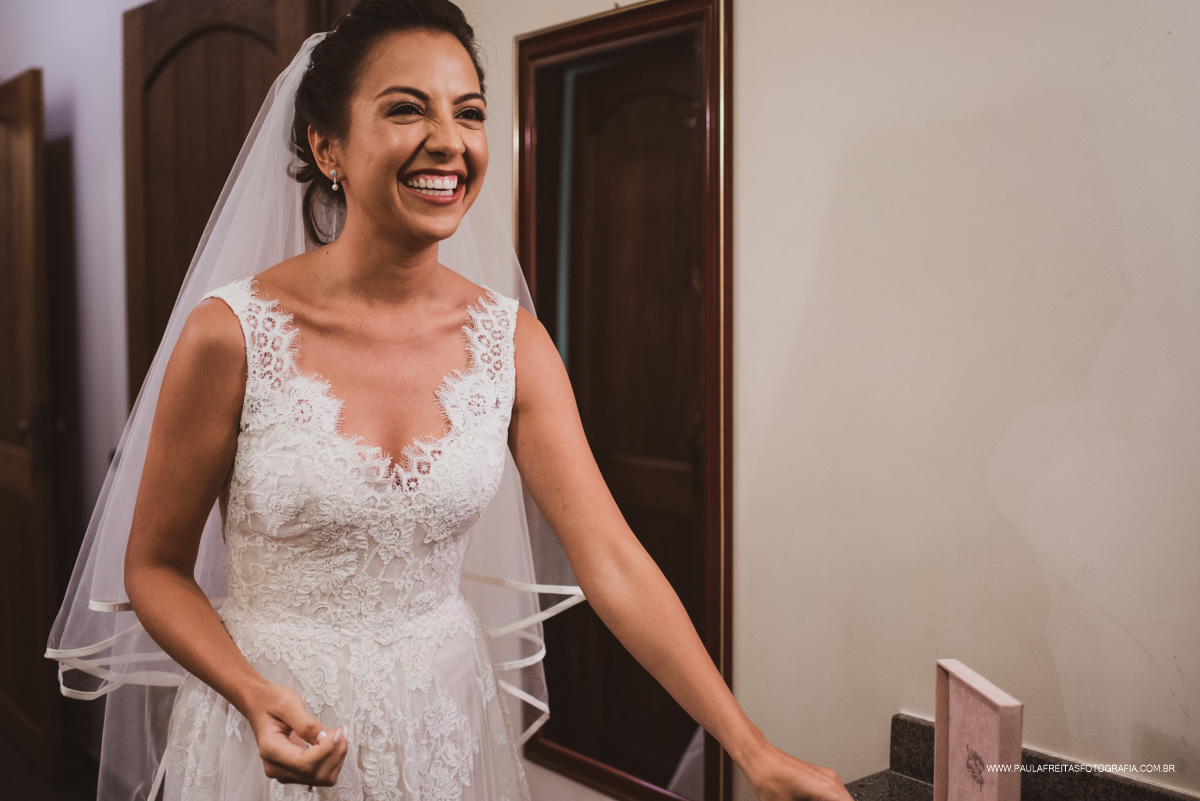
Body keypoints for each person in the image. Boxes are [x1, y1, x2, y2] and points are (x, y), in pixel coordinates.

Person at [49, 1, 855, 799]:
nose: (449, 141)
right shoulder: (231, 334)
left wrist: (751, 747)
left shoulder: (513, 344)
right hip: (267, 723)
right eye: (406, 108)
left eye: (468, 113)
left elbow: (611, 561)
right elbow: (153, 568)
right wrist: (250, 692)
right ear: (327, 146)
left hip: (444, 721)